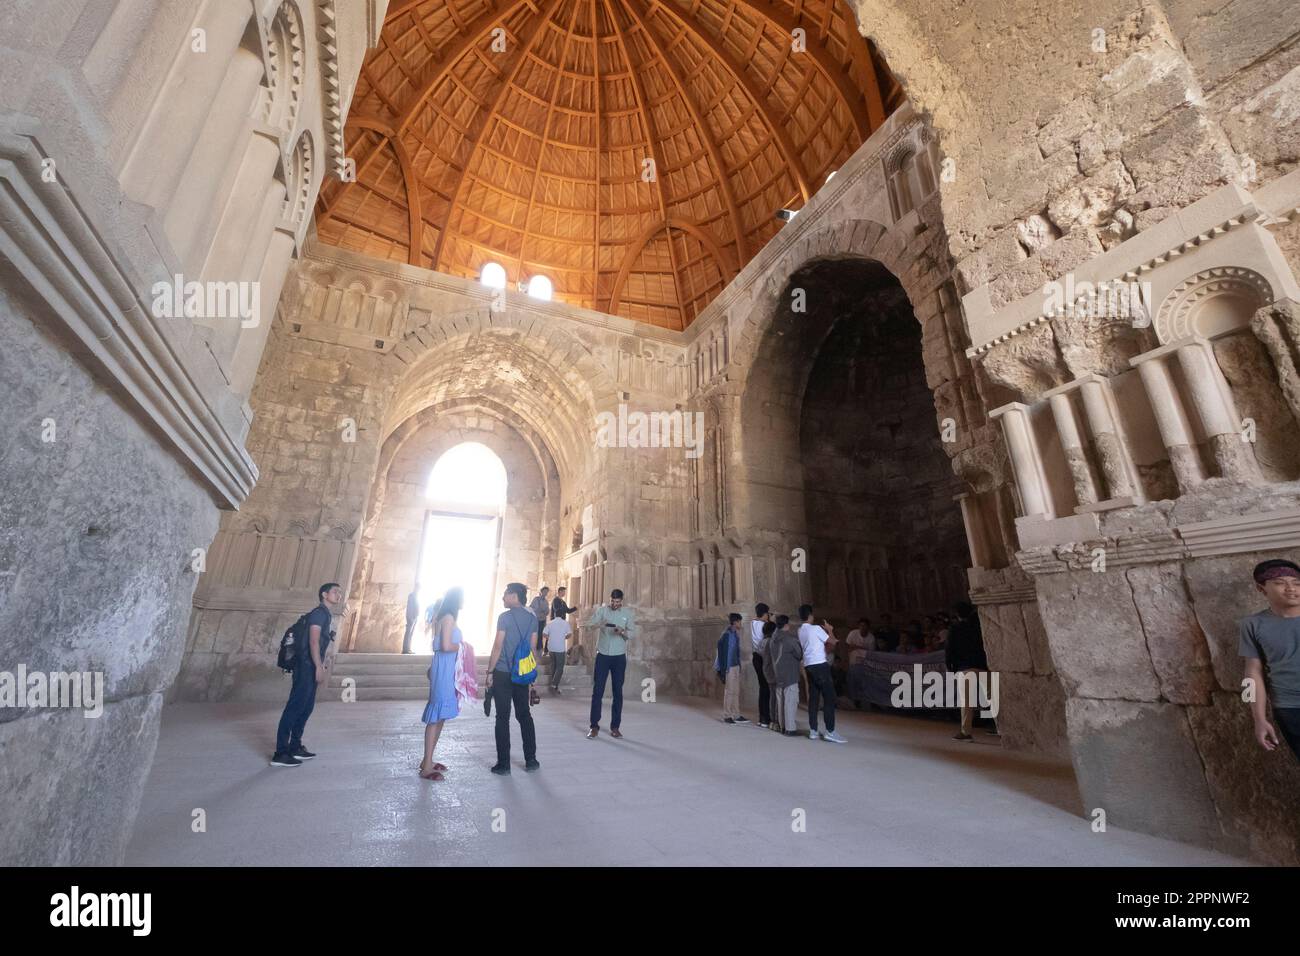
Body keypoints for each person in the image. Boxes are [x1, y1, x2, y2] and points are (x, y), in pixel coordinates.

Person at [272, 582, 341, 767]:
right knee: (295, 707)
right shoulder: (319, 613)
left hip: (310, 665)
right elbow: (313, 641)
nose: (338, 595)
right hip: (306, 666)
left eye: (339, 592)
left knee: (306, 706)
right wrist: (319, 666)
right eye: (335, 592)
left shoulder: (325, 614)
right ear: (324, 595)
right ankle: (280, 753)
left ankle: (295, 746)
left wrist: (320, 665)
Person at [1239, 558, 1300, 760]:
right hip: (1290, 708)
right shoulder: (1252, 624)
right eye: (1280, 583)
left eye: (1297, 582)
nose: (1291, 589)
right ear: (1261, 588)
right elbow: (1251, 673)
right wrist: (1258, 718)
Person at [486, 582, 540, 774]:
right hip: (522, 673)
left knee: (502, 717)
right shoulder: (532, 618)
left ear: (514, 596)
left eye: (505, 594)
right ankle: (531, 760)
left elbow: (498, 646)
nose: (503, 598)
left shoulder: (505, 617)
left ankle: (504, 764)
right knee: (524, 715)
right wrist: (532, 676)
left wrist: (490, 671)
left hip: (502, 672)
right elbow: (533, 649)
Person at [419, 587, 463, 780]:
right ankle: (426, 766)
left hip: (446, 667)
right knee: (436, 715)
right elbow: (446, 646)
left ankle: (427, 759)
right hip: (444, 668)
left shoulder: (445, 617)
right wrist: (463, 647)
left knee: (441, 714)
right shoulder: (448, 618)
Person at [585, 588, 637, 739]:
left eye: (618, 602)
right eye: (613, 601)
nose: (615, 604)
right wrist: (597, 624)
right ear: (610, 599)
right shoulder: (602, 611)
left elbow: (632, 634)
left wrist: (622, 631)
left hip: (619, 657)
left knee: (617, 693)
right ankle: (594, 727)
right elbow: (588, 626)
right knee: (598, 692)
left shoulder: (627, 614)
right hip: (602, 656)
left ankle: (615, 727)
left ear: (622, 601)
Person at [798, 604, 845, 743]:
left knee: (814, 698)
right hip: (820, 664)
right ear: (811, 615)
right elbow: (833, 642)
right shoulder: (816, 629)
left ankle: (813, 730)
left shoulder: (800, 630)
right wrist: (830, 630)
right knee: (829, 697)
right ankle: (830, 730)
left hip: (808, 665)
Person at [946, 601, 988, 742]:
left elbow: (949, 649)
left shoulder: (955, 629)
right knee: (992, 698)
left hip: (965, 667)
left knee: (967, 701)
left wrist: (950, 666)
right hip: (983, 665)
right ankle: (1001, 728)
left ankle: (966, 732)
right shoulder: (979, 625)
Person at [772, 615, 803, 736]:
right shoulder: (790, 639)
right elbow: (799, 654)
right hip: (790, 674)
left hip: (778, 674)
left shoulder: (773, 639)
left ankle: (782, 726)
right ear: (786, 625)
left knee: (780, 701)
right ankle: (790, 728)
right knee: (790, 701)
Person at [717, 613, 747, 724]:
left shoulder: (735, 634)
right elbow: (722, 654)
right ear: (735, 622)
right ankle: (727, 715)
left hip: (735, 666)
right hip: (728, 667)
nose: (740, 623)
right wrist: (724, 669)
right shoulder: (726, 635)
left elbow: (736, 652)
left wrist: (739, 665)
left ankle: (736, 714)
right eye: (739, 621)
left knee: (736, 691)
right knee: (729, 691)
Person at [750, 603, 772, 728]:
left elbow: (755, 620)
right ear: (765, 614)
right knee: (767, 688)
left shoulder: (753, 623)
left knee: (762, 687)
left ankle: (762, 717)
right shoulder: (765, 625)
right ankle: (766, 718)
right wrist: (771, 621)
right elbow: (770, 633)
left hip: (755, 658)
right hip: (764, 658)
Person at [760, 620, 781, 732]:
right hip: (774, 671)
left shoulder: (762, 642)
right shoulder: (772, 642)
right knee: (777, 698)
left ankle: (772, 720)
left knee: (772, 697)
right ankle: (776, 721)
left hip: (767, 671)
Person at [543, 610, 571, 695]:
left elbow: (544, 634)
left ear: (555, 615)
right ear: (563, 615)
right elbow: (570, 634)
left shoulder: (550, 623)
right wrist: (563, 637)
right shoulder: (565, 623)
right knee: (560, 667)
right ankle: (554, 684)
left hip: (551, 648)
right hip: (560, 648)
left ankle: (555, 687)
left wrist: (551, 638)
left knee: (553, 666)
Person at [402, 588, 419, 655]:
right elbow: (410, 608)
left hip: (414, 617)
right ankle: (405, 649)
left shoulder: (416, 596)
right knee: (408, 634)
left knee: (410, 634)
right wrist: (410, 617)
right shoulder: (412, 596)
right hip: (411, 618)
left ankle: (408, 648)